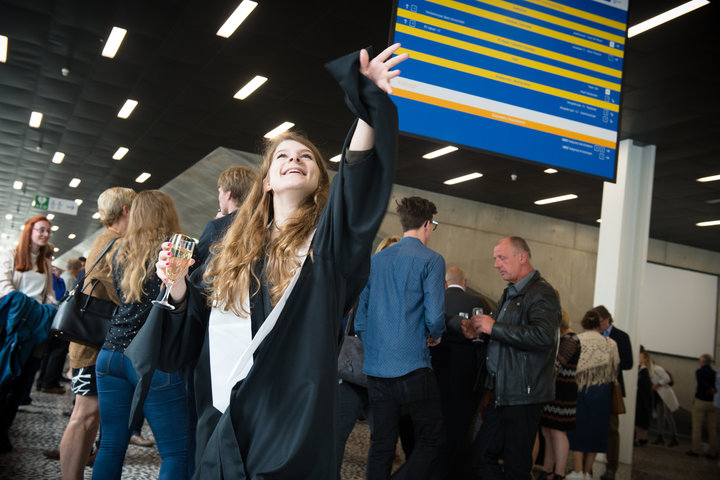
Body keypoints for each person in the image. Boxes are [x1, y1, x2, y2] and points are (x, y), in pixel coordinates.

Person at [130, 45, 406, 479]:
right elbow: (195, 323)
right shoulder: (230, 248)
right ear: (267, 183)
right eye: (283, 156)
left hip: (288, 418)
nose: (294, 159)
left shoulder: (329, 245)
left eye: (305, 157)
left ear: (319, 180)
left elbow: (357, 174)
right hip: (221, 407)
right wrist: (179, 284)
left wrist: (368, 104)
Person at [92, 190, 190, 480]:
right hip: (152, 357)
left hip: (110, 353)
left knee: (111, 444)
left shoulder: (119, 250)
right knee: (176, 452)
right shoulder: (176, 252)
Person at [355, 195, 446, 480]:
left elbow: (360, 320)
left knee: (382, 443)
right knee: (433, 439)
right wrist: (435, 335)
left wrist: (377, 349)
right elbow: (435, 317)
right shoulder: (432, 260)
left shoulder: (376, 260)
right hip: (413, 367)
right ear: (428, 225)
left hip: (378, 370)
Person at [54, 187, 135, 479]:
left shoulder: (110, 240)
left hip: (89, 343)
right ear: (126, 209)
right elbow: (121, 293)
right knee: (84, 415)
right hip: (92, 345)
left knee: (89, 416)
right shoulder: (115, 243)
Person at [467, 236, 561, 480]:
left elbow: (543, 336)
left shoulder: (542, 293)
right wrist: (479, 331)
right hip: (502, 392)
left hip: (523, 394)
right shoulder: (510, 293)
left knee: (516, 466)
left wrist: (494, 327)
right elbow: (502, 335)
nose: (497, 264)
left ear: (522, 257)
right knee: (480, 458)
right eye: (495, 259)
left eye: (502, 258)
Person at [336, 235, 400, 480]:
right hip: (353, 371)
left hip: (381, 375)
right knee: (337, 435)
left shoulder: (402, 291)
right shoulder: (364, 282)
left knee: (384, 439)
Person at [0, 215, 57, 453]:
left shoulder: (44, 264)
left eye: (48, 231)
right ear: (29, 231)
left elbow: (50, 294)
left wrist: (49, 306)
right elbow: (5, 287)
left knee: (24, 382)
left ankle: (4, 429)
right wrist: (30, 306)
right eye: (41, 230)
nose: (45, 235)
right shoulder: (11, 256)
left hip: (36, 329)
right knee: (6, 377)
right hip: (14, 327)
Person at [430, 266, 489, 480]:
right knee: (460, 424)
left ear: (445, 284)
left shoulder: (435, 299)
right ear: (464, 282)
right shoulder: (478, 303)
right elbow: (482, 339)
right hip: (465, 373)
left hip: (435, 369)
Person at [566, 309, 619, 480]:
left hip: (580, 389)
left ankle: (578, 471)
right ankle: (588, 472)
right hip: (602, 391)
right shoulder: (610, 343)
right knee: (596, 430)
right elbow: (615, 367)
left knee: (578, 429)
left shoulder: (578, 339)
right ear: (599, 323)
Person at [538, 308, 581, 480]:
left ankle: (559, 473)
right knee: (547, 431)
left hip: (564, 391)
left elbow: (558, 363)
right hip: (553, 389)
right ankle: (547, 470)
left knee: (557, 431)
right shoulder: (562, 338)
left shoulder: (571, 339)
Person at [594, 305, 632, 480]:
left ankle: (611, 468)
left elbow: (629, 363)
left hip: (612, 388)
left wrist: (611, 362)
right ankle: (586, 466)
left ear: (606, 320)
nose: (597, 324)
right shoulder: (594, 335)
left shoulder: (622, 337)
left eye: (598, 321)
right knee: (591, 425)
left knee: (611, 430)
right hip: (594, 387)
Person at [194, 166, 258, 269]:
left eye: (220, 192)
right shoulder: (261, 223)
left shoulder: (216, 227)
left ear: (228, 194)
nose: (219, 198)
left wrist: (218, 223)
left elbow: (196, 267)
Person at [643, 352, 679, 447]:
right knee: (660, 416)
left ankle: (674, 436)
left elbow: (667, 379)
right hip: (659, 396)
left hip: (665, 394)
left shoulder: (657, 369)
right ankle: (660, 436)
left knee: (668, 416)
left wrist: (657, 384)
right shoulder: (649, 370)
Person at [687, 353, 718, 459]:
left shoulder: (699, 372)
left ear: (703, 361)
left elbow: (701, 383)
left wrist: (708, 388)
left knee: (697, 427)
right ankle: (713, 451)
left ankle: (695, 450)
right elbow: (716, 386)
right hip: (712, 402)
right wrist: (712, 389)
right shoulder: (715, 373)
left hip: (700, 401)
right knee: (712, 428)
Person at [634, 351, 652, 447]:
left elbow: (643, 387)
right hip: (642, 398)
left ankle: (639, 438)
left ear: (645, 359)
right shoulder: (642, 370)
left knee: (640, 419)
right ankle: (641, 438)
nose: (638, 358)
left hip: (642, 399)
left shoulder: (644, 372)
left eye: (640, 357)